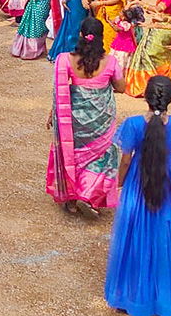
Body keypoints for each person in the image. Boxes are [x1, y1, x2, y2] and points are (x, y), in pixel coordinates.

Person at [104, 76, 171, 316]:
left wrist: (120, 182)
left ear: (145, 97)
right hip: (169, 182)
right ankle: (165, 297)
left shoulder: (133, 124)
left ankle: (132, 294)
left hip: (139, 179)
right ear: (169, 99)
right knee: (167, 234)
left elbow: (125, 159)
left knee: (135, 233)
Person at [47, 17, 126, 218]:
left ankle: (72, 200)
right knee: (100, 156)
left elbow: (61, 93)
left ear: (81, 35)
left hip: (73, 117)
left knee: (73, 154)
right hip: (102, 119)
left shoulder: (66, 59)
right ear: (101, 38)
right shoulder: (111, 62)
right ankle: (90, 194)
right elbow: (121, 87)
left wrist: (52, 113)